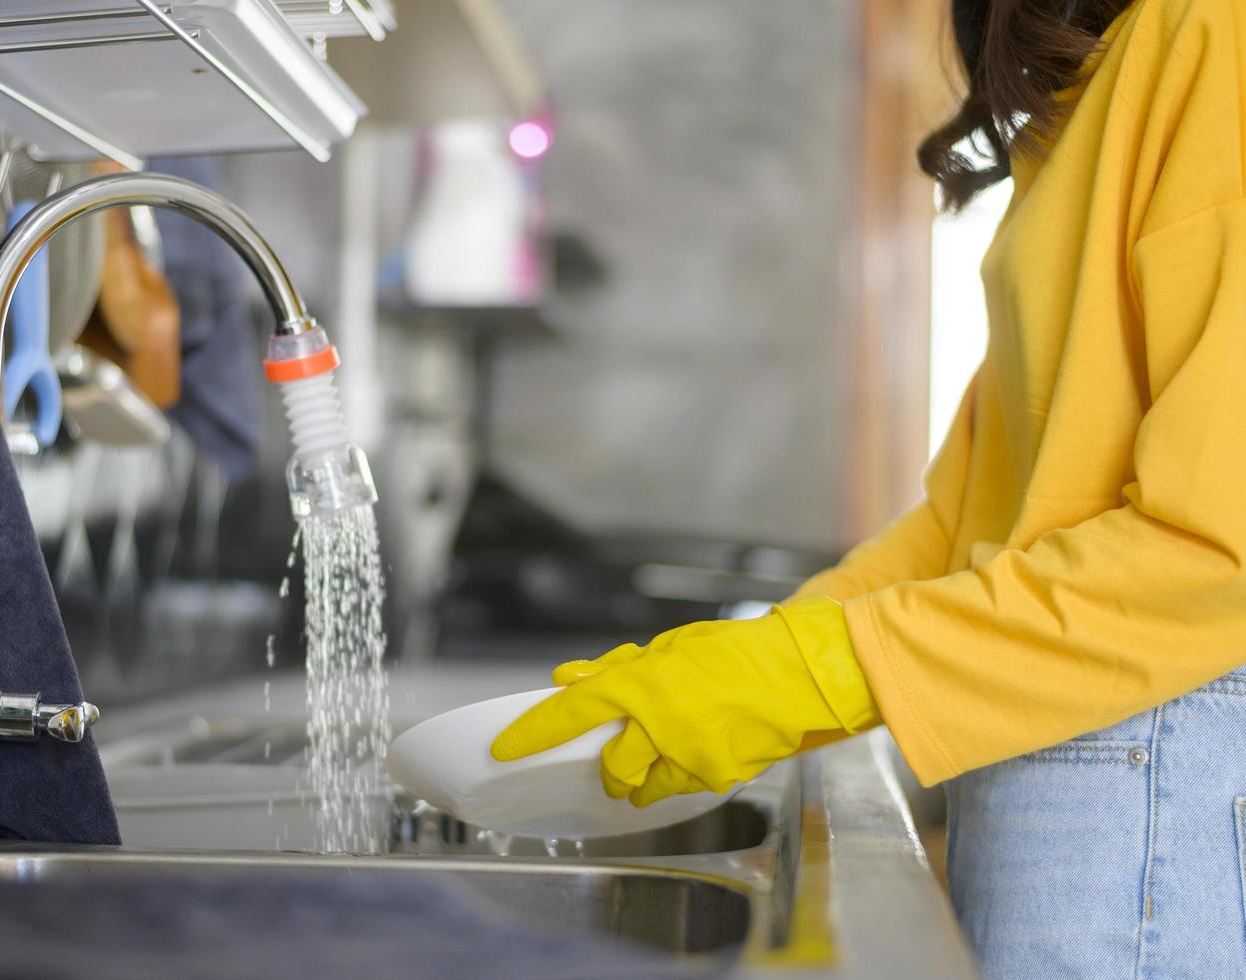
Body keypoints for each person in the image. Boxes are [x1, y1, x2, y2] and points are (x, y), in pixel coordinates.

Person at [492, 0, 1246, 974]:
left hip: (1138, 762)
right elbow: (968, 515)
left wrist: (807, 671)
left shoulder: (1213, 37)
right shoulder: (1109, 75)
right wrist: (752, 659)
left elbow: (1216, 543)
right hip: (1071, 754)